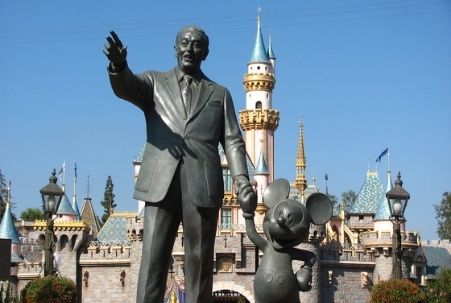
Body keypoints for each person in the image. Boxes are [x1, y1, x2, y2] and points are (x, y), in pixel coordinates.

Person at [104, 27, 256, 303]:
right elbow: (127, 87)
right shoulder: (154, 82)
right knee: (152, 259)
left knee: (199, 264)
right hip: (160, 181)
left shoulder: (220, 94)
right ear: (175, 48)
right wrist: (119, 65)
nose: (189, 49)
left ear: (206, 53)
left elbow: (233, 141)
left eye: (197, 45)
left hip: (203, 184)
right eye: (184, 43)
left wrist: (242, 180)